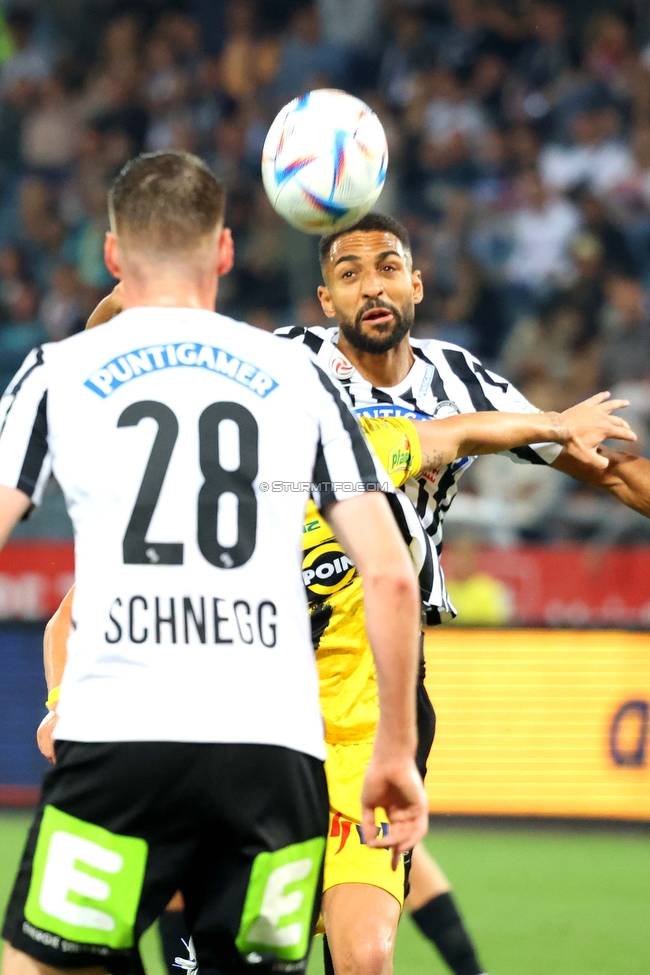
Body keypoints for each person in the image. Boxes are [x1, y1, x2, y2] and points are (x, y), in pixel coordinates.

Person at [35, 281, 635, 975]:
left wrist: (554, 424)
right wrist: (58, 709)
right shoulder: (200, 516)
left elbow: (464, 431)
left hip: (358, 742)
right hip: (249, 749)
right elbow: (68, 618)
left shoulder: (358, 455)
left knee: (367, 956)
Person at [0, 154, 431, 975]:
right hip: (272, 751)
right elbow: (391, 573)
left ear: (114, 256)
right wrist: (395, 755)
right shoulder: (298, 377)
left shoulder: (57, 374)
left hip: (121, 736)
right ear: (225, 251)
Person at [277, 210, 650, 975]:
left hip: (378, 687)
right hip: (264, 678)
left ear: (415, 283)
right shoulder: (286, 361)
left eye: (387, 267)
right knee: (256, 945)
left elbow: (606, 468)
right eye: (349, 275)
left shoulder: (462, 382)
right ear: (324, 301)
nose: (371, 287)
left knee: (367, 956)